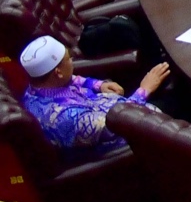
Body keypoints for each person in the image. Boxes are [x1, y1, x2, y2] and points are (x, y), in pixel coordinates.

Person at [20, 36, 169, 161]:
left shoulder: (39, 86)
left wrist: (98, 85)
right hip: (129, 144)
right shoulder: (65, 117)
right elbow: (117, 124)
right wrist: (144, 90)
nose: (72, 61)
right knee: (175, 101)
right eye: (69, 59)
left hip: (118, 110)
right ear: (58, 72)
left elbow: (72, 79)